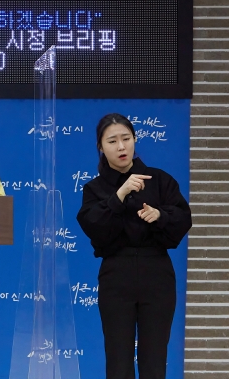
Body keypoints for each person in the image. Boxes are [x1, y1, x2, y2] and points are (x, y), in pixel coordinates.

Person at [76, 113, 192, 379]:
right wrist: (119, 195)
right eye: (112, 141)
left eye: (126, 139)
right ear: (101, 147)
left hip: (157, 273)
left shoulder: (160, 180)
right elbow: (93, 226)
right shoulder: (94, 189)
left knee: (154, 359)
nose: (121, 147)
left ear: (135, 140)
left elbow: (183, 218)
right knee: (118, 360)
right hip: (116, 275)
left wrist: (160, 215)